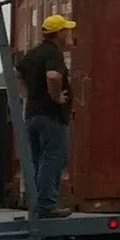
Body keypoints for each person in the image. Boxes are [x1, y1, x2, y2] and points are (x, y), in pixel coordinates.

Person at [17, 14, 76, 218]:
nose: (69, 33)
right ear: (59, 33)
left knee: (35, 160)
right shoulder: (53, 53)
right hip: (51, 116)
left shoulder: (34, 53)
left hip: (32, 114)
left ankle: (34, 203)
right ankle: (46, 205)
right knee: (53, 158)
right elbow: (53, 76)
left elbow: (17, 73)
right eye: (66, 30)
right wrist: (56, 97)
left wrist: (27, 95)